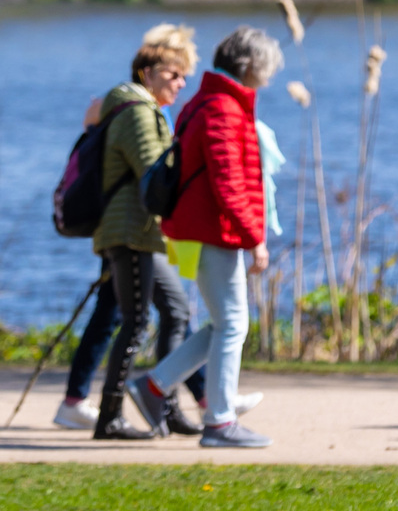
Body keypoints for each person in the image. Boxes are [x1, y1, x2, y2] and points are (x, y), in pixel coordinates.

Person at [129, 26, 281, 449]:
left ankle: (155, 386)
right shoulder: (223, 108)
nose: (269, 76)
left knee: (223, 323)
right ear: (249, 65)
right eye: (267, 67)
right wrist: (254, 238)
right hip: (212, 230)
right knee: (232, 325)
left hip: (203, 228)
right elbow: (228, 183)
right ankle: (219, 422)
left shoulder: (209, 100)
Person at [56, 25, 206, 436]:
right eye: (173, 74)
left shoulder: (138, 108)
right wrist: (192, 154)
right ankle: (110, 416)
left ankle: (166, 407)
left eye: (184, 76)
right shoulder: (138, 111)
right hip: (129, 231)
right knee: (137, 321)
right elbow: (154, 172)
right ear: (147, 72)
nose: (181, 83)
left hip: (136, 232)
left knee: (173, 311)